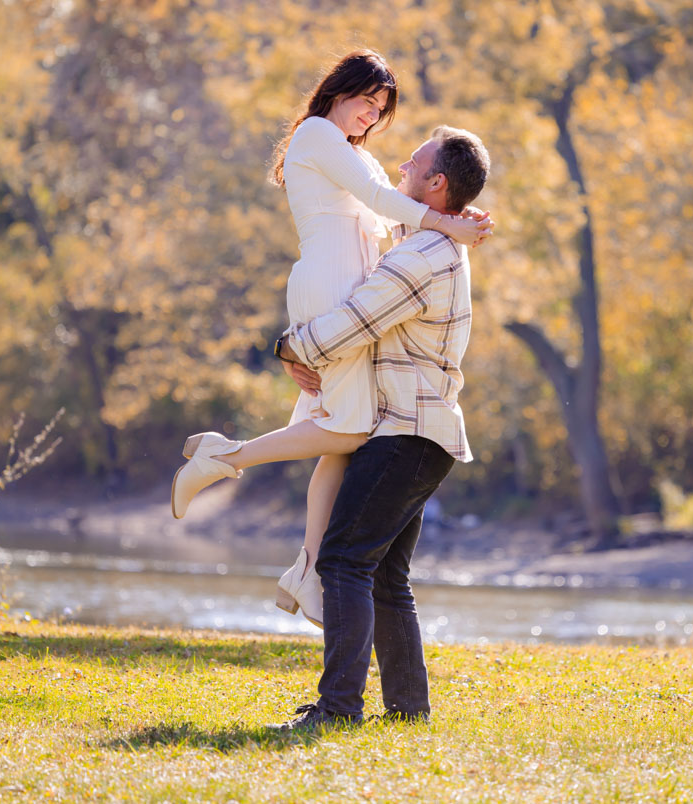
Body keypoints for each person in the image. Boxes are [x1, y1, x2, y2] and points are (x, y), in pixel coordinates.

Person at [169, 51, 491, 630]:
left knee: (338, 443)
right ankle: (226, 456)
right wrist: (450, 225)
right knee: (350, 428)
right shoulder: (316, 134)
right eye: (367, 102)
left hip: (348, 292)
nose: (371, 118)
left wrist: (453, 217)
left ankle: (307, 568)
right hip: (328, 288)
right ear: (340, 91)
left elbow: (388, 219)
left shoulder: (351, 152)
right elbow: (384, 204)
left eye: (380, 111)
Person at [270, 124, 490, 730]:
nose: (401, 164)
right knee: (387, 575)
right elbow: (389, 225)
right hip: (425, 435)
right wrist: (457, 220)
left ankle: (338, 709)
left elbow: (353, 321)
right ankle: (408, 711)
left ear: (436, 182)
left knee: (343, 560)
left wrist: (289, 346)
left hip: (406, 435)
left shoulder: (422, 257)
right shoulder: (430, 243)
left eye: (413, 161)